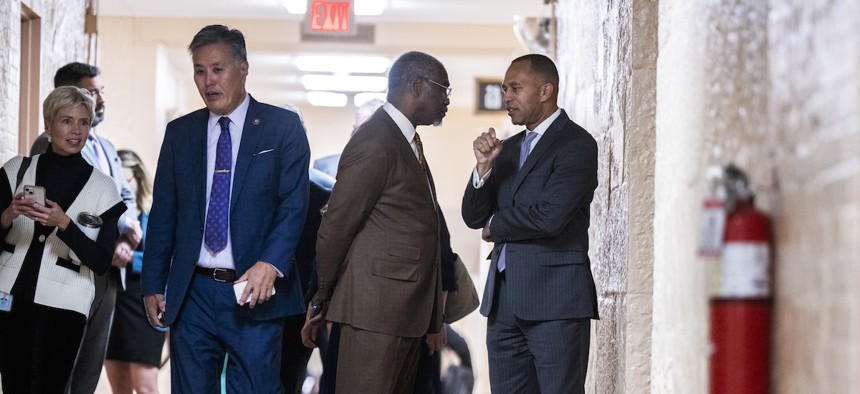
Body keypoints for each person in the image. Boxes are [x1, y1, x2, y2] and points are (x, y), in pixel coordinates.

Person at [141, 24, 310, 393]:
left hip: (253, 290)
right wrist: (153, 282)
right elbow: (164, 211)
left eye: (217, 69)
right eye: (199, 71)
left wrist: (271, 262)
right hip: (193, 293)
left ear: (243, 68)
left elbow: (294, 204)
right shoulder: (180, 133)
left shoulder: (281, 128)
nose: (208, 81)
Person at [301, 51, 450, 394]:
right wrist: (322, 296)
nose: (446, 100)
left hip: (401, 314)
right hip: (373, 316)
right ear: (416, 86)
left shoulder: (406, 139)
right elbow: (336, 227)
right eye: (443, 89)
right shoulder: (374, 140)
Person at [461, 54, 599, 393]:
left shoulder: (577, 145)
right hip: (503, 304)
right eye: (505, 88)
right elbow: (472, 216)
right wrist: (482, 169)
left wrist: (497, 224)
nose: (506, 97)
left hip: (556, 303)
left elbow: (550, 217)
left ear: (545, 91)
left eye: (516, 88)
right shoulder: (504, 150)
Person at [0, 86, 127, 392]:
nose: (76, 130)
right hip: (10, 300)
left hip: (65, 308)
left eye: (84, 122)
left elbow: (100, 261)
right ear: (48, 125)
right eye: (67, 120)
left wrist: (65, 224)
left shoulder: (104, 188)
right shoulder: (17, 170)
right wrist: (7, 215)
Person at [30, 62, 142, 394]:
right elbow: (69, 201)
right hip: (67, 270)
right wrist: (116, 228)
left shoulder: (106, 147)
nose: (101, 100)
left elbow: (123, 196)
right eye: (93, 92)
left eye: (101, 92)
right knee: (60, 367)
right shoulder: (46, 145)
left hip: (105, 277)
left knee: (90, 369)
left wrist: (127, 236)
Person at [104, 150, 165, 394]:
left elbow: (164, 259)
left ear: (138, 180)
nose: (120, 189)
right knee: (119, 388)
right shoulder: (108, 216)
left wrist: (129, 259)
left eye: (125, 181)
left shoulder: (155, 214)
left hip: (144, 303)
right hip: (112, 302)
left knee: (145, 387)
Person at [312, 98, 385, 179]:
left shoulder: (397, 173)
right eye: (365, 129)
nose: (371, 137)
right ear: (354, 130)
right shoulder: (325, 168)